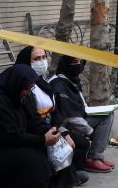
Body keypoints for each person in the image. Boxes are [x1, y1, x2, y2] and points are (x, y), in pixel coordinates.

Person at [15, 46, 86, 187]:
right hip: (35, 130)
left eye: (43, 57)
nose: (42, 62)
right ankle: (63, 177)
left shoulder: (42, 82)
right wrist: (52, 134)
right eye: (36, 59)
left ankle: (68, 174)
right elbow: (31, 119)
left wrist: (63, 132)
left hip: (51, 126)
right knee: (54, 148)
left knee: (79, 144)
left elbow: (55, 111)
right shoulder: (23, 86)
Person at [49, 55, 116, 179]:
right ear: (66, 64)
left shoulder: (71, 80)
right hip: (65, 125)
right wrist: (90, 131)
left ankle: (97, 156)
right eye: (75, 62)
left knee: (108, 115)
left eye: (80, 62)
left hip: (78, 118)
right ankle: (93, 158)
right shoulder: (59, 84)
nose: (78, 65)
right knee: (102, 121)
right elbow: (68, 116)